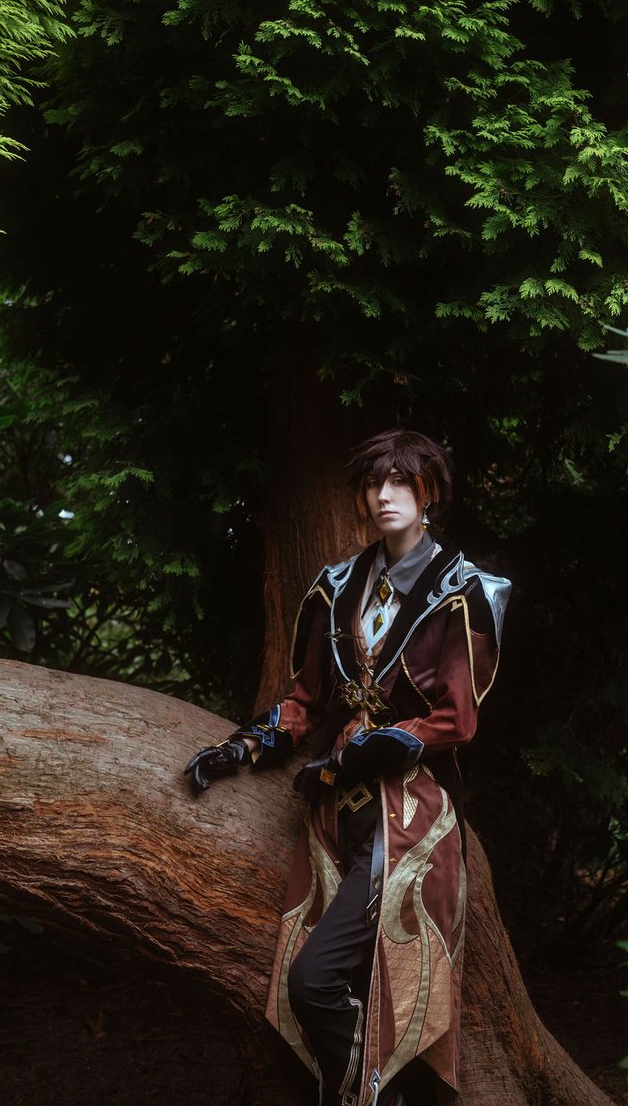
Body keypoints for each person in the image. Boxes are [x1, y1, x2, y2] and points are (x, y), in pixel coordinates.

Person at [184, 429, 510, 1106]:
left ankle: (376, 1095)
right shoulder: (336, 586)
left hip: (413, 821)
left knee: (316, 981)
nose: (385, 495)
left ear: (429, 492)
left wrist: (364, 749)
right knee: (319, 985)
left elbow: (457, 720)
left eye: (401, 482)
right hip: (334, 819)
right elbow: (306, 700)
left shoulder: (463, 591)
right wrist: (245, 747)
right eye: (373, 483)